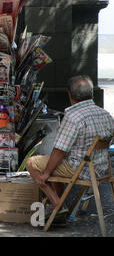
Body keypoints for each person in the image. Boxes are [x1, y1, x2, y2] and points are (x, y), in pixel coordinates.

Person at [26, 75, 113, 224]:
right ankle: (60, 205)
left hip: (80, 169)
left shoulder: (73, 116)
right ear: (91, 93)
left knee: (32, 162)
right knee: (53, 161)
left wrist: (45, 173)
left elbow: (60, 149)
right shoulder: (104, 114)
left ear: (70, 95)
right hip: (101, 168)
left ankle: (57, 205)